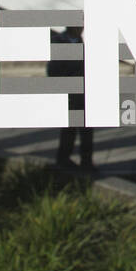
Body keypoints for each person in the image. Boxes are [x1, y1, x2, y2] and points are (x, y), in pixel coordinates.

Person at [48, 27, 93, 171]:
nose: (83, 28)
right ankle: (63, 159)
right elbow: (53, 70)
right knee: (69, 130)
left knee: (87, 129)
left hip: (83, 93)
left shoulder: (80, 41)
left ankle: (86, 161)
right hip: (69, 93)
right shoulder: (58, 42)